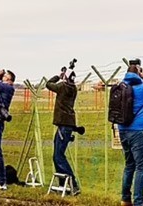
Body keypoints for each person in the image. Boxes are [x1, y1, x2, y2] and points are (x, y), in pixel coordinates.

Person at [117, 59, 143, 206]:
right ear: (138, 72)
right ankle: (138, 201)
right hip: (137, 132)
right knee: (142, 167)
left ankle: (125, 198)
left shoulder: (121, 86)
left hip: (122, 130)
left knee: (129, 165)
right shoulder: (141, 87)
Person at [46, 65, 83, 195]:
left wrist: (58, 75)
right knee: (57, 156)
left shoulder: (62, 87)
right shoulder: (73, 88)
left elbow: (48, 84)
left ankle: (72, 184)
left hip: (63, 125)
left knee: (58, 156)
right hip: (67, 125)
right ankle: (64, 185)